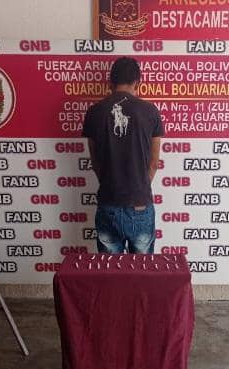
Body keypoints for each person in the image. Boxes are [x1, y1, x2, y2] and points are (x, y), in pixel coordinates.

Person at [82, 57, 164, 254]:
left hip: (108, 202)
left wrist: (109, 183)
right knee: (142, 269)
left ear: (110, 82)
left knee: (111, 269)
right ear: (138, 82)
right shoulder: (151, 111)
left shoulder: (94, 112)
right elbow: (154, 163)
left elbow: (95, 161)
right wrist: (140, 187)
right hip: (140, 204)